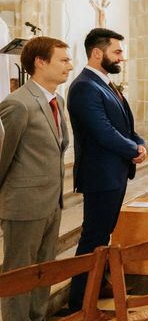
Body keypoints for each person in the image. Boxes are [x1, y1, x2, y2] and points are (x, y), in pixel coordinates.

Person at [67, 28, 146, 311]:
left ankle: (96, 285)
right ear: (97, 53)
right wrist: (132, 149)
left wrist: (140, 142)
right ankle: (79, 302)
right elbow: (103, 131)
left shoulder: (106, 83)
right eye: (117, 51)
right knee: (93, 238)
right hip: (99, 174)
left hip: (114, 172)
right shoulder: (84, 86)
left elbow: (125, 125)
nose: (122, 57)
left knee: (103, 235)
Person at [0, 36, 72, 320]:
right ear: (40, 63)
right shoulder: (18, 104)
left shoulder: (58, 100)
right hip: (23, 203)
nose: (69, 65)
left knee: (44, 270)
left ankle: (38, 317)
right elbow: (3, 157)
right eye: (63, 60)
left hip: (51, 202)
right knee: (19, 273)